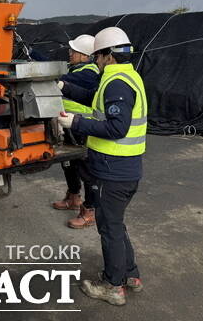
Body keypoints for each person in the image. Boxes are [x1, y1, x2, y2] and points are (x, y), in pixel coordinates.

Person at [58, 26, 147, 306]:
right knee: (116, 224)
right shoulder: (125, 76)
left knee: (108, 228)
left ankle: (113, 286)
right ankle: (130, 275)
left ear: (108, 55)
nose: (95, 61)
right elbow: (94, 99)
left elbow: (117, 127)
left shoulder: (117, 83)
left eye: (97, 56)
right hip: (126, 167)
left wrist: (76, 123)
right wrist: (63, 87)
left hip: (113, 169)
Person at [52, 35, 100, 230]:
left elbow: (62, 78)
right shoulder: (76, 69)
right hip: (70, 124)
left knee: (86, 168)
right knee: (68, 164)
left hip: (83, 126)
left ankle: (89, 209)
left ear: (85, 55)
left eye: (74, 51)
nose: (70, 53)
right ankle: (73, 197)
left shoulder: (88, 72)